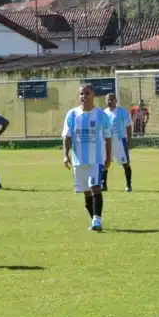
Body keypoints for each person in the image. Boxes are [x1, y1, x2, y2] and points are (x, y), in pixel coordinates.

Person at [62, 84, 112, 232]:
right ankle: (94, 221)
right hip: (78, 159)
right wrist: (65, 155)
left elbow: (108, 137)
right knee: (85, 191)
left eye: (87, 93)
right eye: (82, 94)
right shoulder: (72, 114)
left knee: (95, 187)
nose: (84, 96)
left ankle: (97, 219)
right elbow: (67, 136)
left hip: (96, 159)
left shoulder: (101, 115)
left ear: (93, 95)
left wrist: (108, 157)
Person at [102, 93, 133, 192]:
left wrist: (129, 140)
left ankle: (128, 185)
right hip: (107, 142)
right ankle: (104, 185)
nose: (109, 101)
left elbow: (128, 127)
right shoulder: (103, 113)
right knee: (105, 163)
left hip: (120, 141)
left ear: (116, 100)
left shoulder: (122, 112)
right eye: (107, 100)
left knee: (125, 163)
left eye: (111, 99)